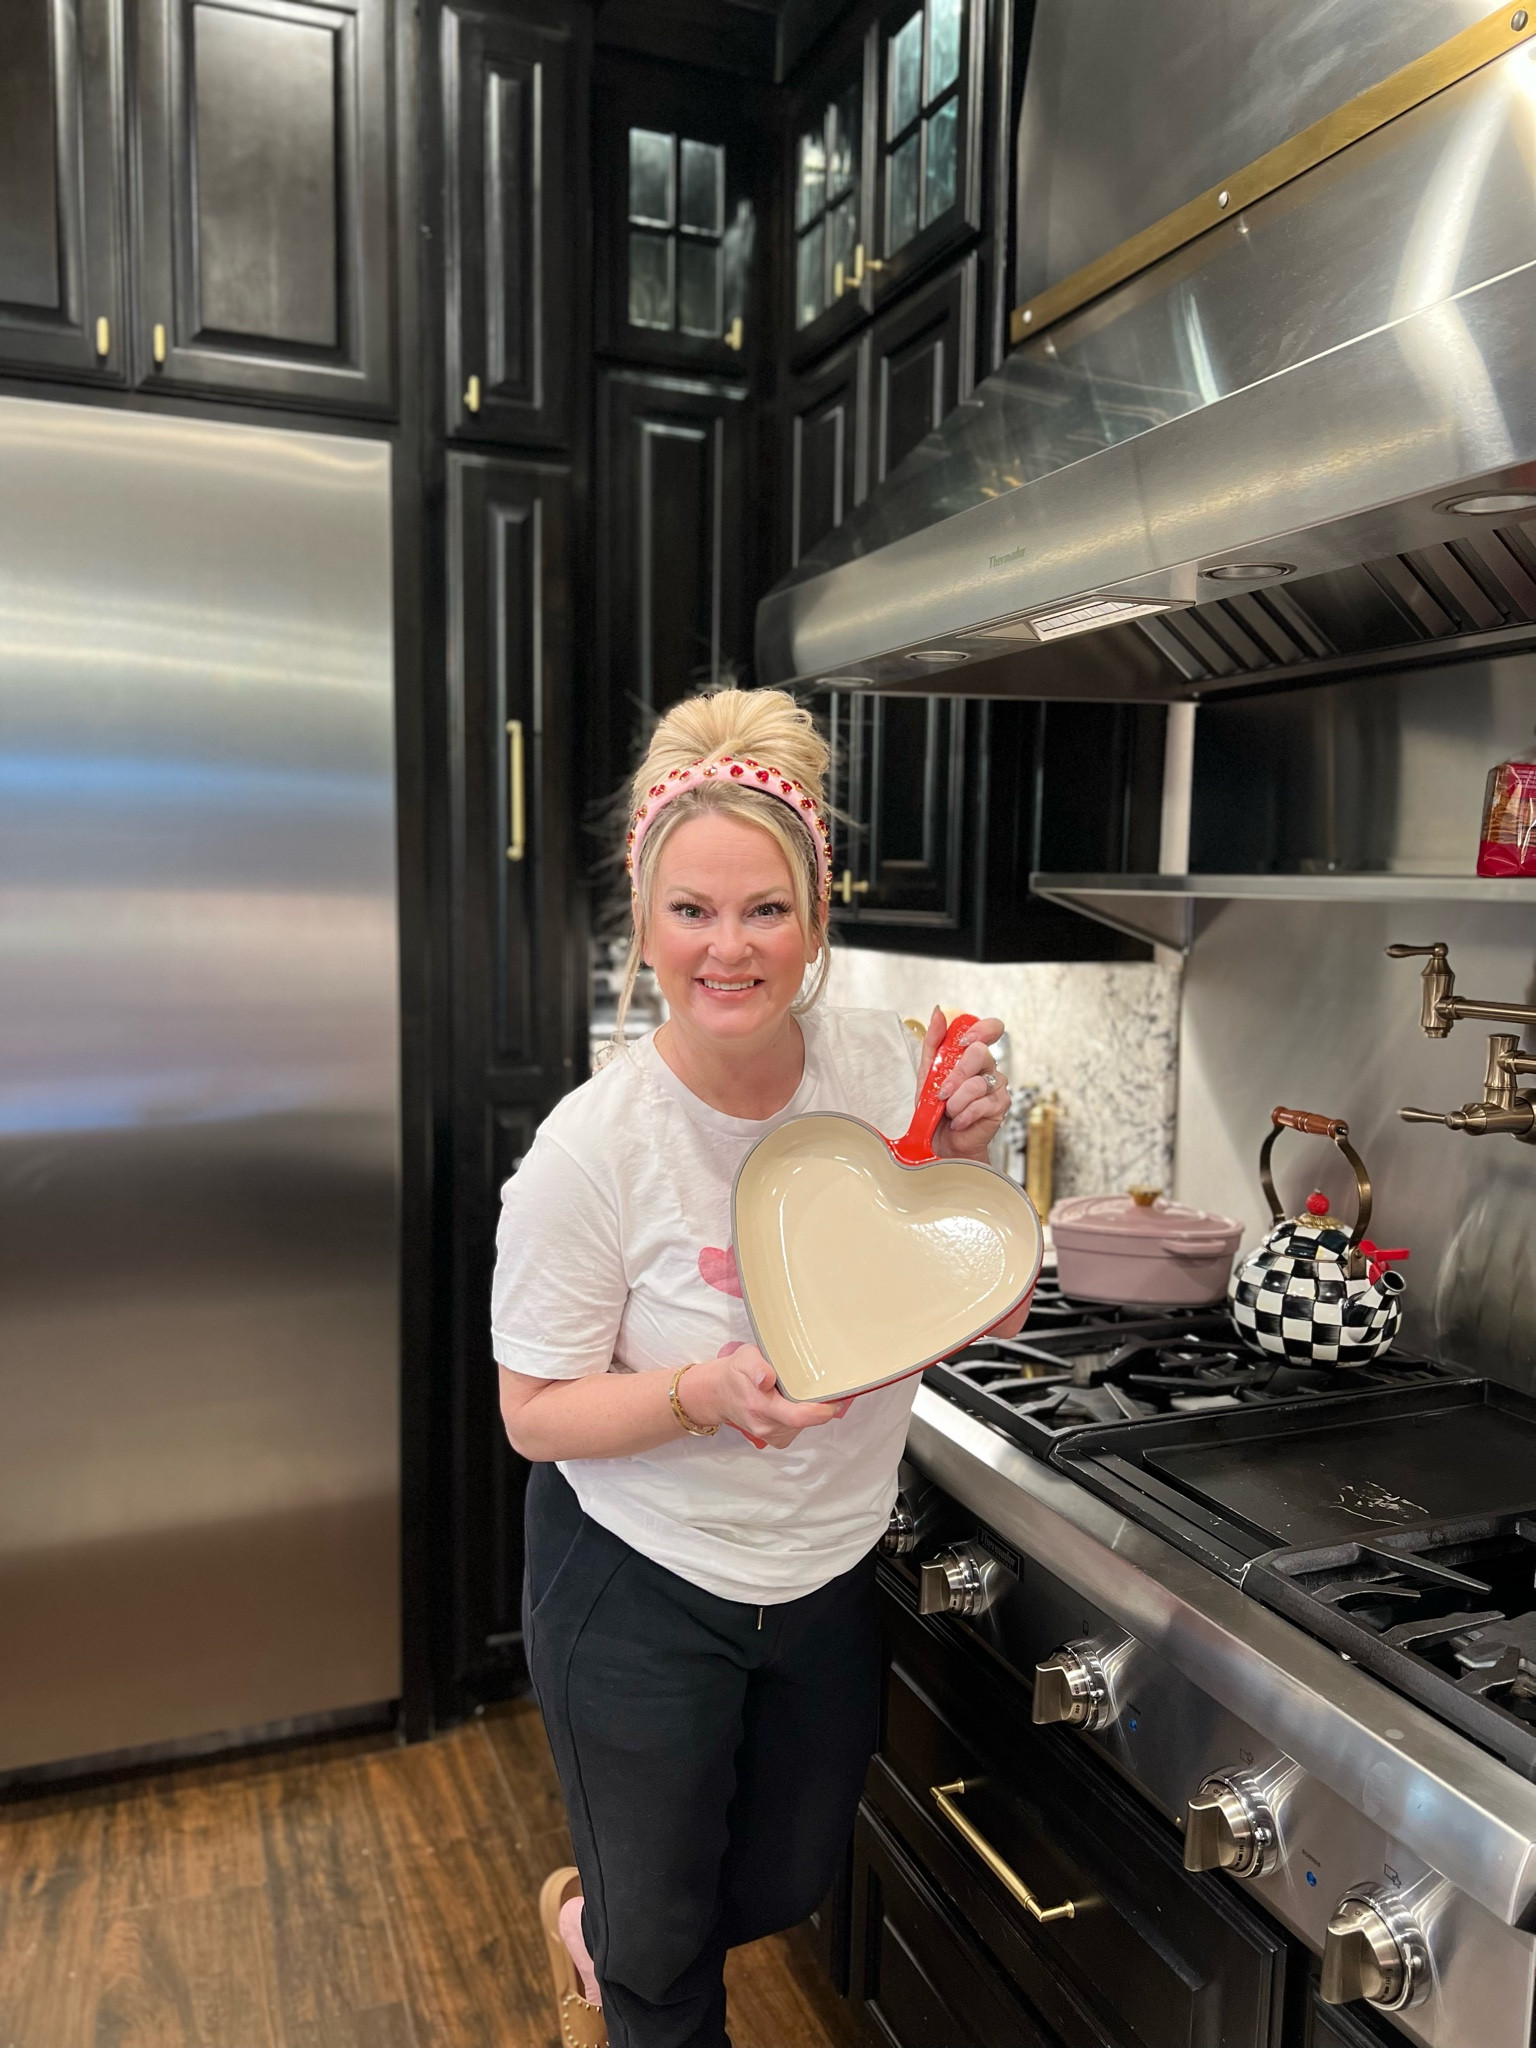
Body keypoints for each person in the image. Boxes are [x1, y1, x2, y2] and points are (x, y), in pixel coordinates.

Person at [491, 688, 1021, 2048]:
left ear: (817, 915)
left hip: (825, 1566)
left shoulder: (884, 1074)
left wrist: (967, 1166)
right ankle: (624, 1944)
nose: (728, 948)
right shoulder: (591, 1151)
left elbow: (992, 1312)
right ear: (644, 918)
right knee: (667, 1965)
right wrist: (704, 1394)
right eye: (692, 910)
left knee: (784, 1884)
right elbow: (532, 1415)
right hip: (637, 1578)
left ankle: (603, 1920)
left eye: (765, 910)